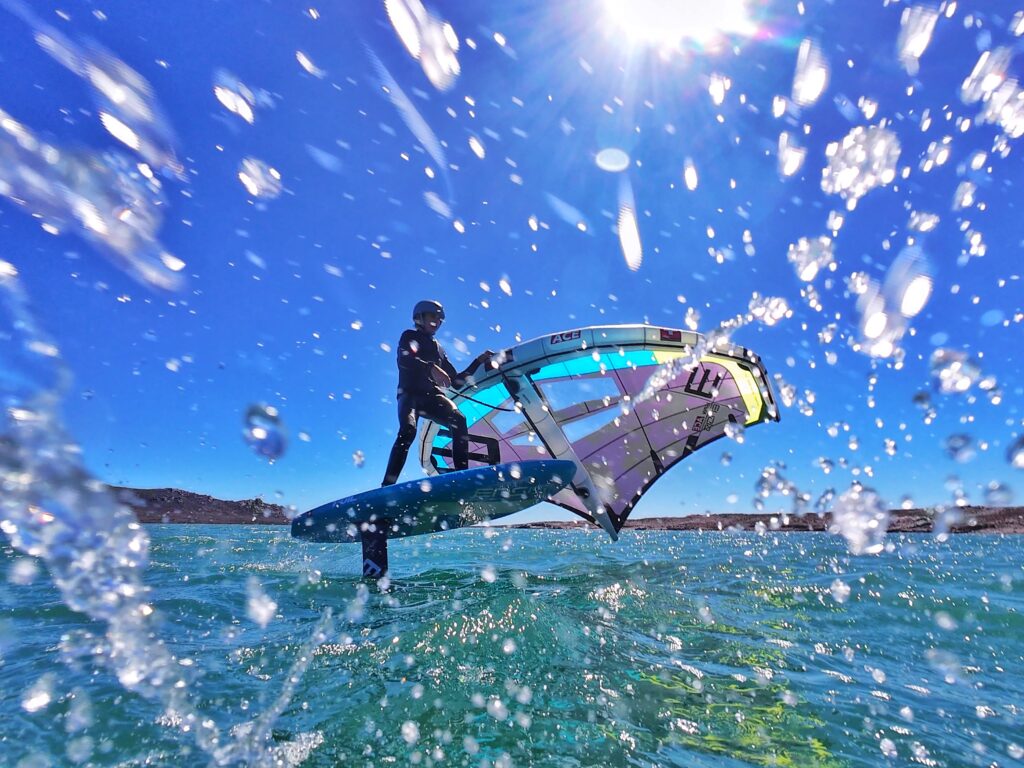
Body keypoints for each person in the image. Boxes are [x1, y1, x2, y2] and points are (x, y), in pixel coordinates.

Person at [381, 300, 493, 486]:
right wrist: (431, 367)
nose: (438, 321)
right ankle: (387, 486)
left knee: (458, 419)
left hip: (431, 396)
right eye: (433, 316)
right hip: (409, 394)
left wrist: (478, 361)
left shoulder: (439, 349)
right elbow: (405, 360)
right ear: (419, 317)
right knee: (408, 431)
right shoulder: (409, 336)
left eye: (440, 318)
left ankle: (461, 478)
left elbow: (456, 382)